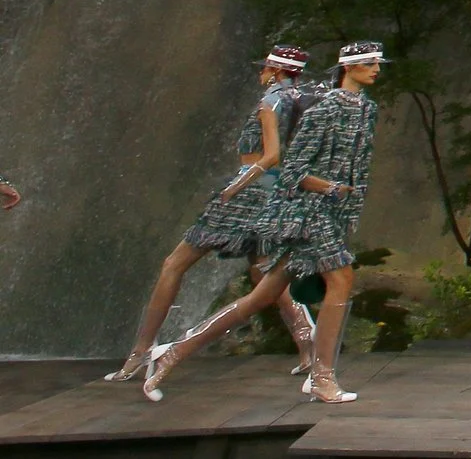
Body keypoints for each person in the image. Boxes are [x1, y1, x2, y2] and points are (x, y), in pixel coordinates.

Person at [144, 42, 386, 407]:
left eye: (378, 63)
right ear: (349, 67)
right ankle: (322, 378)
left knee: (262, 296)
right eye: (369, 63)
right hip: (308, 212)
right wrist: (330, 188)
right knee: (341, 278)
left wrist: (347, 206)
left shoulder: (367, 109)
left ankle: (173, 352)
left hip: (334, 213)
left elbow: (359, 168)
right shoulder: (323, 109)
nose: (377, 69)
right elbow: (293, 171)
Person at [107, 46, 321, 383]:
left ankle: (141, 350)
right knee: (264, 273)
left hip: (249, 191)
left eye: (266, 68)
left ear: (277, 71)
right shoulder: (303, 102)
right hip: (275, 193)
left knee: (174, 263)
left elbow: (272, 155)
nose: (261, 73)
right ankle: (308, 343)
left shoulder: (270, 102)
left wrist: (235, 187)